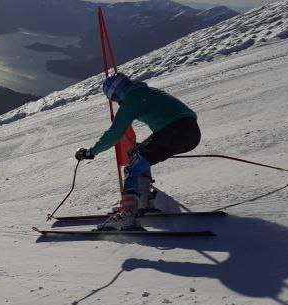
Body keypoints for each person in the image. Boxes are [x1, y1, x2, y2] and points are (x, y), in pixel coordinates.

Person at [75, 72, 200, 229]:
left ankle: (127, 214)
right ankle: (143, 202)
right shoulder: (145, 91)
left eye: (113, 98)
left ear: (115, 92)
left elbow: (115, 132)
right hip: (191, 132)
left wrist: (92, 151)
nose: (117, 102)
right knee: (138, 154)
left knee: (133, 166)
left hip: (174, 132)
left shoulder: (131, 98)